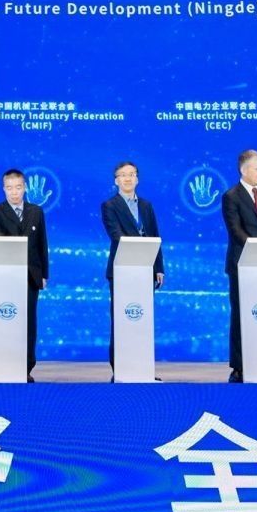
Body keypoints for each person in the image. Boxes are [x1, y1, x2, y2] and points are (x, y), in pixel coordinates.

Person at [101, 160, 163, 377]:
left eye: (132, 174)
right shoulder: (109, 206)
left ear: (137, 179)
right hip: (122, 270)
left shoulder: (146, 206)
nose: (128, 178)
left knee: (142, 320)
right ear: (116, 180)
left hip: (145, 270)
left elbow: (155, 236)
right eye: (123, 175)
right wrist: (138, 248)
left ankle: (144, 369)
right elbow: (116, 235)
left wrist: (158, 267)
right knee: (122, 320)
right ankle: (120, 369)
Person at [0, 169, 50, 380]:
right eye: (9, 188)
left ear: (25, 188)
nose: (14, 192)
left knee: (29, 322)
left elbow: (42, 243)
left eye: (18, 187)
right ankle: (6, 364)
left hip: (31, 275)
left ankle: (26, 367)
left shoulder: (36, 211)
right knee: (8, 321)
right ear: (4, 189)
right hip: (6, 276)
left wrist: (44, 274)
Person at [220, 149, 257, 383]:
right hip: (240, 263)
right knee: (241, 314)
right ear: (244, 170)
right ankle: (239, 366)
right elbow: (235, 230)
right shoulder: (231, 196)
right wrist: (256, 248)